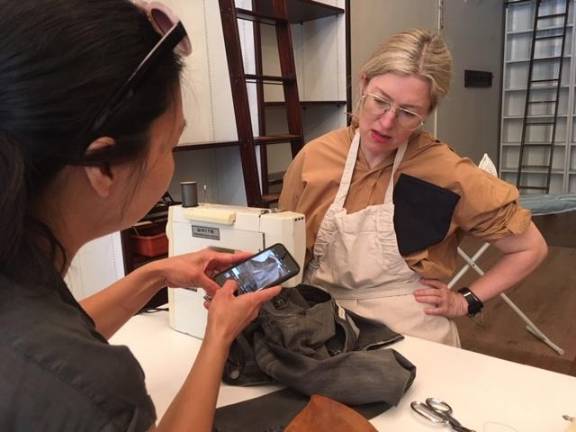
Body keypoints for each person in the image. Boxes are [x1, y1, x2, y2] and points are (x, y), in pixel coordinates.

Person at [0, 1, 280, 431]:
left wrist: (154, 275)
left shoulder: (21, 289)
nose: (173, 165)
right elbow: (65, 365)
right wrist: (219, 335)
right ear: (104, 166)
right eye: (170, 145)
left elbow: (54, 341)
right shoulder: (97, 391)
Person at [279, 29, 548, 347]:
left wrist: (466, 300)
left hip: (410, 332)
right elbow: (285, 251)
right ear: (363, 83)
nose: (387, 122)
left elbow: (530, 248)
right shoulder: (315, 158)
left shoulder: (445, 171)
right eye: (380, 101)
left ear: (428, 113)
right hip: (322, 323)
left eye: (408, 113)